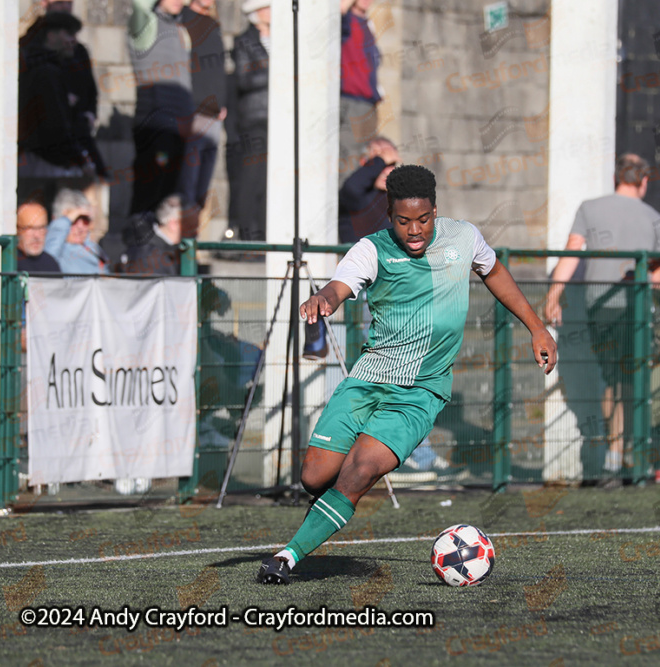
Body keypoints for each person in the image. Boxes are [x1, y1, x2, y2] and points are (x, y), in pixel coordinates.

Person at [257, 165, 557, 584]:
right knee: (314, 476)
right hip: (367, 381)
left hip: (420, 391)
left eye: (423, 219)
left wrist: (536, 326)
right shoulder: (372, 249)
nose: (414, 230)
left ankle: (288, 557)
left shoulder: (464, 237)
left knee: (360, 471)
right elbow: (339, 286)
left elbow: (493, 271)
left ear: (436, 210)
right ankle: (329, 511)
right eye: (403, 221)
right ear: (389, 213)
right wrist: (323, 299)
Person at [543, 153, 660, 484]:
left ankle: (606, 458)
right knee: (629, 381)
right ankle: (622, 457)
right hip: (637, 309)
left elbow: (571, 253)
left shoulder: (590, 208)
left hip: (600, 306)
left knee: (611, 379)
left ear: (616, 179)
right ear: (644, 181)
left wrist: (554, 294)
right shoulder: (655, 218)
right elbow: (659, 277)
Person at [127, 0, 194, 218]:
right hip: (154, 124)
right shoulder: (147, 24)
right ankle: (138, 247)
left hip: (179, 127)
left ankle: (160, 247)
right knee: (149, 190)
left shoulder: (180, 29)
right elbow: (139, 6)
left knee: (169, 196)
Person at [18, 12, 99, 184]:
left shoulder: (45, 67)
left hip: (42, 160)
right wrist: (78, 158)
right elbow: (56, 127)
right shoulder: (45, 72)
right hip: (46, 164)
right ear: (51, 35)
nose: (73, 41)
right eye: (69, 34)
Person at [179, 0, 228, 239]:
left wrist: (222, 102)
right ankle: (182, 244)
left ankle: (192, 241)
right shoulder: (182, 18)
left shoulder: (213, 24)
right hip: (192, 113)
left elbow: (218, 69)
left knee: (201, 188)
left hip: (213, 115)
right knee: (187, 184)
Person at [227, 0, 271, 242]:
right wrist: (275, 71)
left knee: (267, 184)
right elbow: (245, 79)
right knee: (250, 180)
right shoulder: (244, 40)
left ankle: (264, 235)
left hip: (276, 121)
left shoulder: (279, 39)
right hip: (255, 120)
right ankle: (246, 236)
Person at [339, 0, 383, 181]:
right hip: (350, 100)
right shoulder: (345, 18)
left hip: (368, 102)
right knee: (348, 161)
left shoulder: (367, 23)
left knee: (365, 160)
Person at [338, 137, 399, 243]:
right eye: (382, 164)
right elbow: (352, 188)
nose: (387, 172)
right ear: (365, 164)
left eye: (391, 164)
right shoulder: (357, 197)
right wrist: (380, 160)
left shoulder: (395, 198)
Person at [45, 189, 109, 274]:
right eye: (73, 220)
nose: (80, 227)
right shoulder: (55, 249)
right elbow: (48, 260)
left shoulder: (92, 248)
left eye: (85, 220)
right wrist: (66, 220)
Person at [119, 194, 182, 276]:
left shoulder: (171, 248)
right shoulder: (148, 257)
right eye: (192, 224)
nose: (197, 228)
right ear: (173, 224)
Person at [17, 202, 63, 274]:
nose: (37, 235)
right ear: (17, 230)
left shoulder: (51, 264)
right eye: (30, 228)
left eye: (41, 228)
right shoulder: (8, 263)